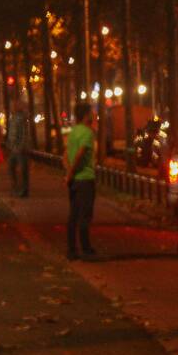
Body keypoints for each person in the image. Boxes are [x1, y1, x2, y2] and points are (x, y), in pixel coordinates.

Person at [64, 103, 97, 260]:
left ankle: (72, 249)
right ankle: (86, 249)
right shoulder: (88, 133)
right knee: (85, 215)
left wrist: (68, 174)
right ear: (86, 115)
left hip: (74, 181)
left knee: (74, 215)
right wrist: (71, 172)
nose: (94, 114)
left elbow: (65, 155)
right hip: (85, 178)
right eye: (92, 112)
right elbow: (80, 154)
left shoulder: (73, 132)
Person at [6, 100, 31, 197]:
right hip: (14, 148)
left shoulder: (22, 118)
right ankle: (16, 189)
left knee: (22, 170)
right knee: (12, 168)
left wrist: (21, 146)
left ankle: (23, 191)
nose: (11, 108)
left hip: (20, 148)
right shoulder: (13, 118)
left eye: (13, 106)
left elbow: (24, 134)